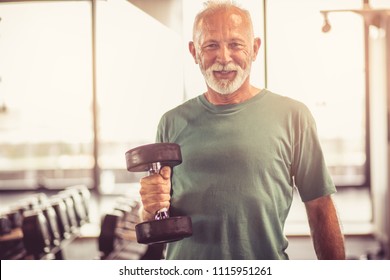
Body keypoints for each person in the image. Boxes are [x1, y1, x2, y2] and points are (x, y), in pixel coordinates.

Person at [138, 0, 346, 260]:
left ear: (255, 48)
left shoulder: (294, 116)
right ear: (194, 52)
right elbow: (158, 214)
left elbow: (320, 207)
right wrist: (147, 209)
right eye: (211, 45)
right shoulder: (171, 122)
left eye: (235, 44)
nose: (224, 58)